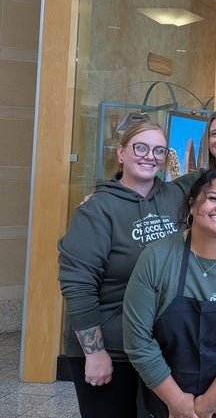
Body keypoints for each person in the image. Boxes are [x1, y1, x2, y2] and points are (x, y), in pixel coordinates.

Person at [58, 120, 194, 418]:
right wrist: (94, 353)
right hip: (113, 350)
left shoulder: (176, 196)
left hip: (160, 349)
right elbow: (78, 284)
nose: (150, 156)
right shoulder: (96, 209)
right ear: (121, 153)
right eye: (140, 147)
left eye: (159, 150)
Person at [123, 169, 216, 418]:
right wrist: (177, 402)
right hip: (164, 397)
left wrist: (210, 400)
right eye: (213, 198)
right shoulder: (157, 257)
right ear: (192, 204)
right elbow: (137, 340)